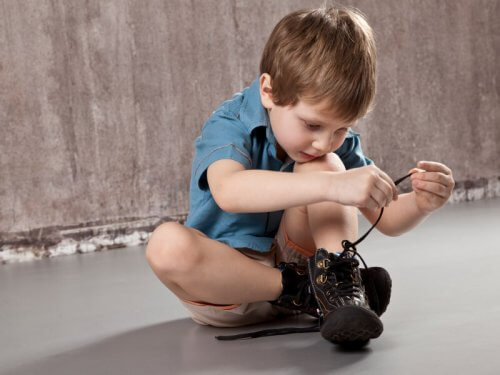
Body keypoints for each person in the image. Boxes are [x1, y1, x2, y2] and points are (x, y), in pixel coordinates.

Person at [145, 5, 455, 347]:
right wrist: (335, 185)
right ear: (269, 91)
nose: (324, 140)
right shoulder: (230, 124)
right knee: (166, 245)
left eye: (341, 129)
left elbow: (387, 217)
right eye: (312, 125)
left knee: (326, 164)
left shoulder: (331, 147)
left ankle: (339, 292)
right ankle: (305, 291)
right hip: (228, 287)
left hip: (301, 259)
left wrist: (422, 203)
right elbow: (229, 191)